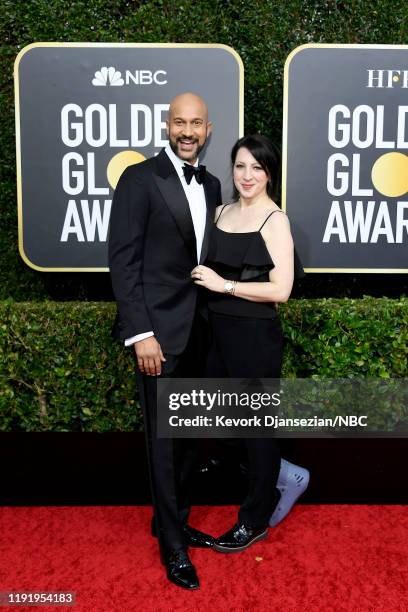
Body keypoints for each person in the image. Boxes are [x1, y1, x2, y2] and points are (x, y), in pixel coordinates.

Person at [108, 92, 222, 589]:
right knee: (165, 442)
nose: (188, 131)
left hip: (201, 331)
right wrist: (142, 334)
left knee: (190, 437)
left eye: (196, 123)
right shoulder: (139, 178)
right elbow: (123, 260)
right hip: (158, 335)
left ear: (209, 129)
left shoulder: (214, 184)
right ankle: (173, 549)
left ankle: (171, 520)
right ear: (166, 125)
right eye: (180, 122)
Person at [191, 133, 307, 552]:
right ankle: (283, 471)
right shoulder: (220, 211)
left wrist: (226, 285)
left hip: (254, 336)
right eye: (240, 166)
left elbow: (281, 290)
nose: (247, 175)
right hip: (216, 332)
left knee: (256, 428)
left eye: (257, 167)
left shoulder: (275, 221)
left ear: (269, 173)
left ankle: (255, 518)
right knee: (219, 419)